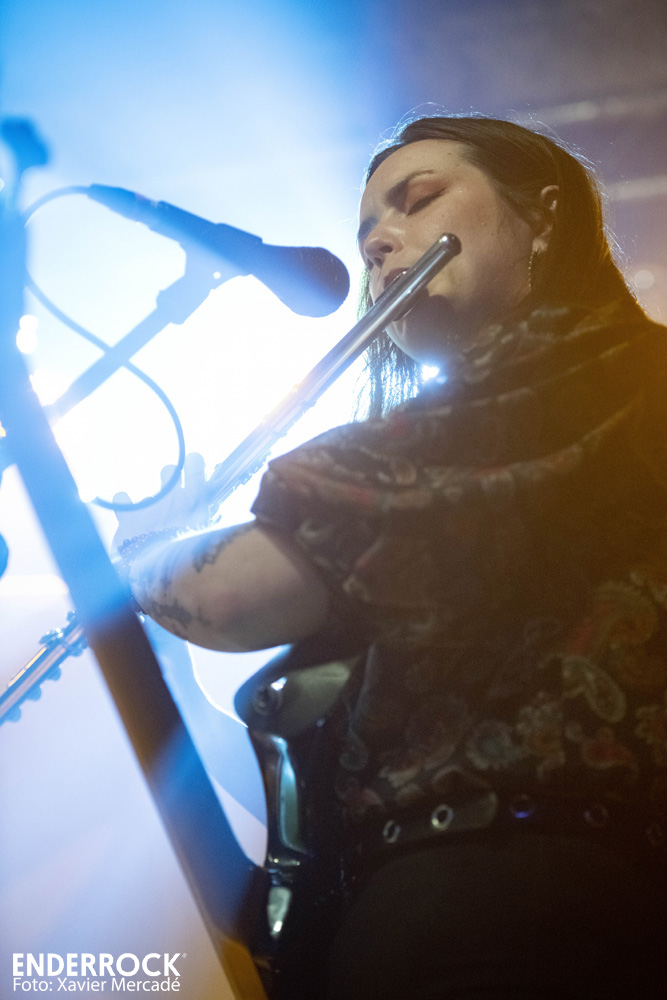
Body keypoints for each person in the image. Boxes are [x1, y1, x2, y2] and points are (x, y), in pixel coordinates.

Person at [113, 116, 667, 999]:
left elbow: (237, 597)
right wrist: (162, 665)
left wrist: (135, 560)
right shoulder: (470, 508)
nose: (377, 242)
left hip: (513, 913)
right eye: (367, 230)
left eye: (418, 200)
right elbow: (321, 794)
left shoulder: (591, 374)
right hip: (419, 916)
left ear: (542, 217)